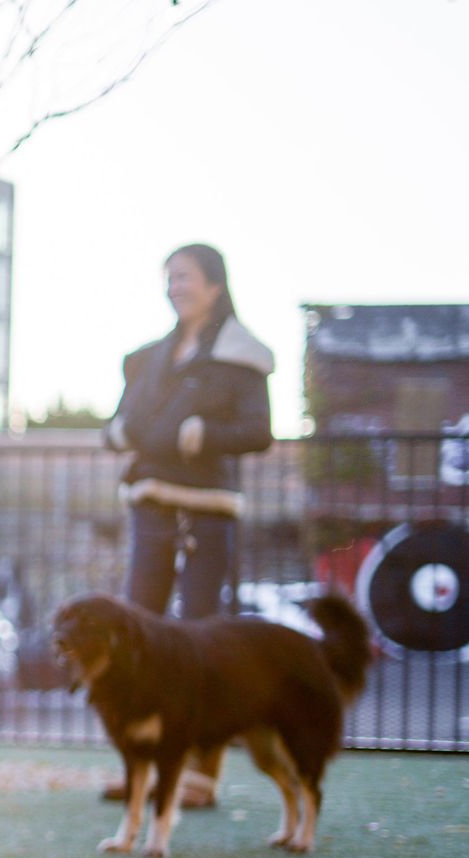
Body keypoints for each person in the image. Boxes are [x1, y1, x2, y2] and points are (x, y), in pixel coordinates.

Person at [101, 243, 274, 807]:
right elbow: (123, 419)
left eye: (187, 276)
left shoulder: (242, 356)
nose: (176, 285)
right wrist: (118, 431)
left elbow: (259, 432)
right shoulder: (148, 358)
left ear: (215, 285)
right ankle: (140, 771)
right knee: (138, 632)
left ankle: (201, 773)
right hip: (150, 502)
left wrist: (205, 435)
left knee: (202, 636)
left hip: (208, 510)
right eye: (170, 276)